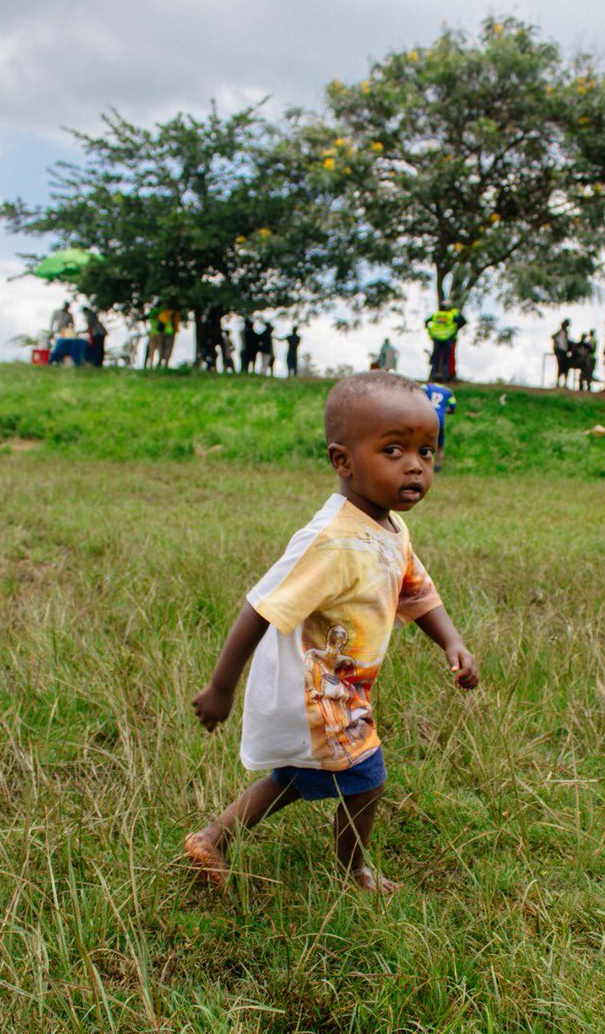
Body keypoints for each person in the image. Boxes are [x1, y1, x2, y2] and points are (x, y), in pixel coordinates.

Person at [184, 371, 479, 894]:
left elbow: (416, 590)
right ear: (342, 460)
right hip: (318, 692)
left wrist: (452, 642)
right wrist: (220, 689)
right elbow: (258, 608)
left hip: (343, 686)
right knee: (369, 776)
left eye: (427, 452)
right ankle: (353, 872)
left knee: (298, 779)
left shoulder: (389, 526)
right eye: (393, 450)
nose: (415, 466)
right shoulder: (331, 541)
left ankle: (212, 839)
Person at [425, 304, 466, 382]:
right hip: (448, 338)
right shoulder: (451, 315)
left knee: (436, 358)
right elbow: (463, 321)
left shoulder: (435, 315)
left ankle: (434, 377)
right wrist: (455, 329)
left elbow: (426, 322)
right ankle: (446, 378)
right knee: (446, 359)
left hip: (436, 338)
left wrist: (430, 332)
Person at [422, 381, 457, 470]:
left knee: (422, 443)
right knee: (440, 446)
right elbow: (453, 407)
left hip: (426, 418)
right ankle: (437, 467)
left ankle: (423, 464)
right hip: (439, 421)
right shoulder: (448, 391)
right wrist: (444, 410)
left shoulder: (425, 387)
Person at [552, 319, 572, 388]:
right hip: (560, 351)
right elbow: (553, 337)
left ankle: (564, 383)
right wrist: (556, 347)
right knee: (560, 366)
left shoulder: (565, 332)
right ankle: (558, 382)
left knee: (566, 367)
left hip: (564, 351)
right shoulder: (560, 332)